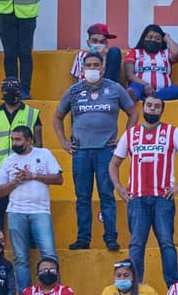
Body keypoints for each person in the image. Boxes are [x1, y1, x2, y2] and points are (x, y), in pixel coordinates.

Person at [110, 95, 178, 287]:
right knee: (136, 245)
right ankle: (136, 287)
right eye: (149, 105)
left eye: (157, 106)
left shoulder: (172, 132)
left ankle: (174, 288)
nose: (152, 109)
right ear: (143, 108)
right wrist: (119, 187)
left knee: (166, 243)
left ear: (162, 110)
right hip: (137, 198)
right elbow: (113, 164)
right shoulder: (130, 134)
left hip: (163, 198)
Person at [55, 52, 136, 252]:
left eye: (95, 65)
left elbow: (133, 112)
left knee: (107, 195)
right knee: (82, 197)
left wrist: (125, 139)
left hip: (106, 151)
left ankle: (111, 238)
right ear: (83, 69)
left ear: (102, 68)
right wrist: (64, 142)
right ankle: (83, 238)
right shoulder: (74, 91)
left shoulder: (114, 88)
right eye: (88, 65)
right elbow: (57, 116)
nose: (92, 68)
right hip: (81, 151)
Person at [0, 125, 62, 290]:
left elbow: (59, 179)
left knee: (49, 254)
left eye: (18, 139)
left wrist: (33, 176)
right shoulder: (8, 161)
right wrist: (14, 181)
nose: (14, 143)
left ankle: (56, 293)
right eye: (12, 139)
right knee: (20, 258)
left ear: (29, 140)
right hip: (16, 211)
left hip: (40, 211)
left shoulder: (44, 154)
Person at [0, 78, 42, 230]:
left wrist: (34, 167)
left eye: (14, 91)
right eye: (7, 91)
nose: (11, 94)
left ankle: (30, 245)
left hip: (24, 169)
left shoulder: (32, 113)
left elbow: (39, 143)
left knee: (27, 210)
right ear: (2, 92)